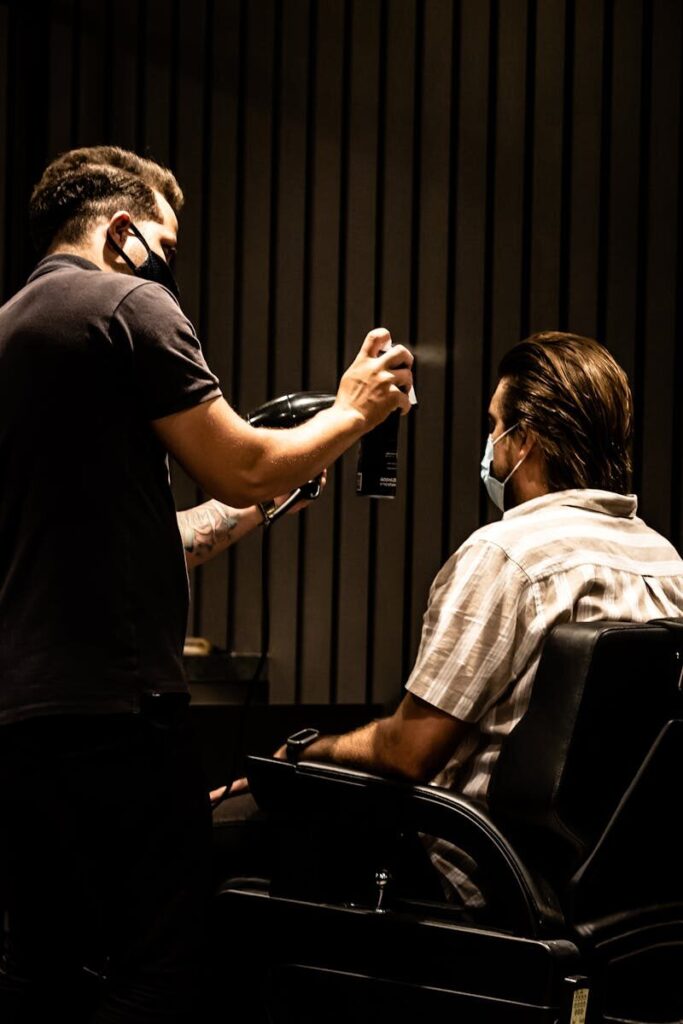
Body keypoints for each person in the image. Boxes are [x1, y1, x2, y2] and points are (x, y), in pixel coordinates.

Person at [0, 145, 413, 1022]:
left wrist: (267, 499)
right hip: (114, 714)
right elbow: (243, 464)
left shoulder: (13, 330)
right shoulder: (128, 303)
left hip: (19, 718)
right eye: (165, 240)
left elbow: (159, 535)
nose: (169, 262)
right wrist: (356, 410)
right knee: (161, 963)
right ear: (122, 232)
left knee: (41, 965)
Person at [242, 332, 682, 907]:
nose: (489, 444)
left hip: (475, 880)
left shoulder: (508, 556)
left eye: (494, 425)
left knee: (231, 838)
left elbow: (407, 751)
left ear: (522, 440)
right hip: (610, 890)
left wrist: (302, 752)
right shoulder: (668, 561)